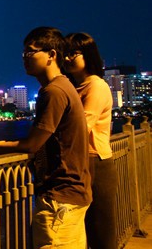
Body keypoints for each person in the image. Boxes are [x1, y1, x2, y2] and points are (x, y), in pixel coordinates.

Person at [0, 27, 92, 248]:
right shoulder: (62, 87)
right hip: (72, 194)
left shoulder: (55, 92)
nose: (25, 58)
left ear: (51, 55)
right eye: (23, 53)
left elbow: (32, 144)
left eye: (31, 52)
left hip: (60, 199)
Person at [65, 32, 117, 249]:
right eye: (65, 54)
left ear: (88, 54)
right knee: (81, 230)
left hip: (96, 161)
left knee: (100, 229)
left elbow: (81, 126)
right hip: (80, 161)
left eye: (73, 54)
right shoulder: (74, 87)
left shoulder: (95, 85)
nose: (67, 58)